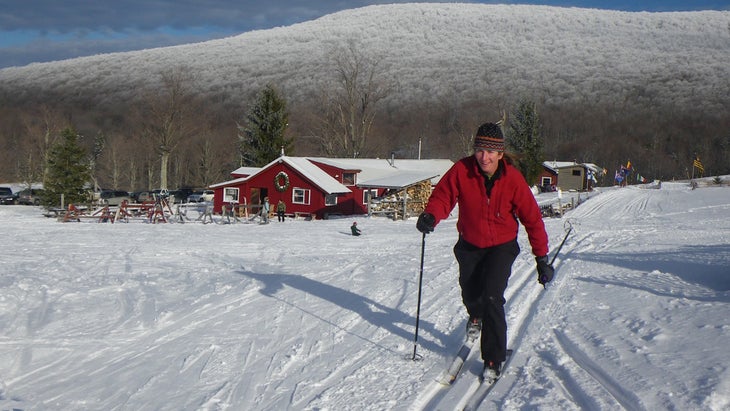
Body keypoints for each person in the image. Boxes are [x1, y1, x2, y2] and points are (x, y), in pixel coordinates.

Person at [416, 122, 554, 382]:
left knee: (492, 296)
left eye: (490, 152)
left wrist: (542, 257)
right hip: (469, 243)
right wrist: (431, 216)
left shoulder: (512, 179)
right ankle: (475, 315)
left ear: (500, 154)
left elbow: (532, 218)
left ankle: (493, 357)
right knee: (470, 291)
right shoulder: (462, 170)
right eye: (480, 150)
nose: (484, 157)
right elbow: (443, 196)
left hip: (501, 246)